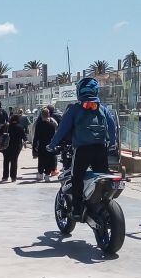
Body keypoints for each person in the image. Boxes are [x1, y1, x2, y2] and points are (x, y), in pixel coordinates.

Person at [46, 77, 119, 220]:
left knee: (77, 177)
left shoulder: (74, 109)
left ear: (79, 91)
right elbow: (112, 127)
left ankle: (78, 209)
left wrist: (52, 145)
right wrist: (111, 144)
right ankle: (102, 203)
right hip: (100, 149)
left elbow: (62, 129)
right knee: (102, 178)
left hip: (82, 150)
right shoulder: (102, 108)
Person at [32, 107, 58, 182]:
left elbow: (36, 137)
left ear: (41, 115)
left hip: (41, 145)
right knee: (48, 160)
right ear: (48, 115)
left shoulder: (39, 125)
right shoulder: (52, 125)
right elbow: (54, 136)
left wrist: (34, 147)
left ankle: (40, 174)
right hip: (49, 145)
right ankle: (47, 175)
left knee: (41, 160)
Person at [0, 113, 26, 182]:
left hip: (6, 146)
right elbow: (24, 137)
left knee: (6, 161)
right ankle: (13, 177)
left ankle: (5, 176)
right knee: (14, 161)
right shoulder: (20, 127)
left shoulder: (6, 126)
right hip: (17, 146)